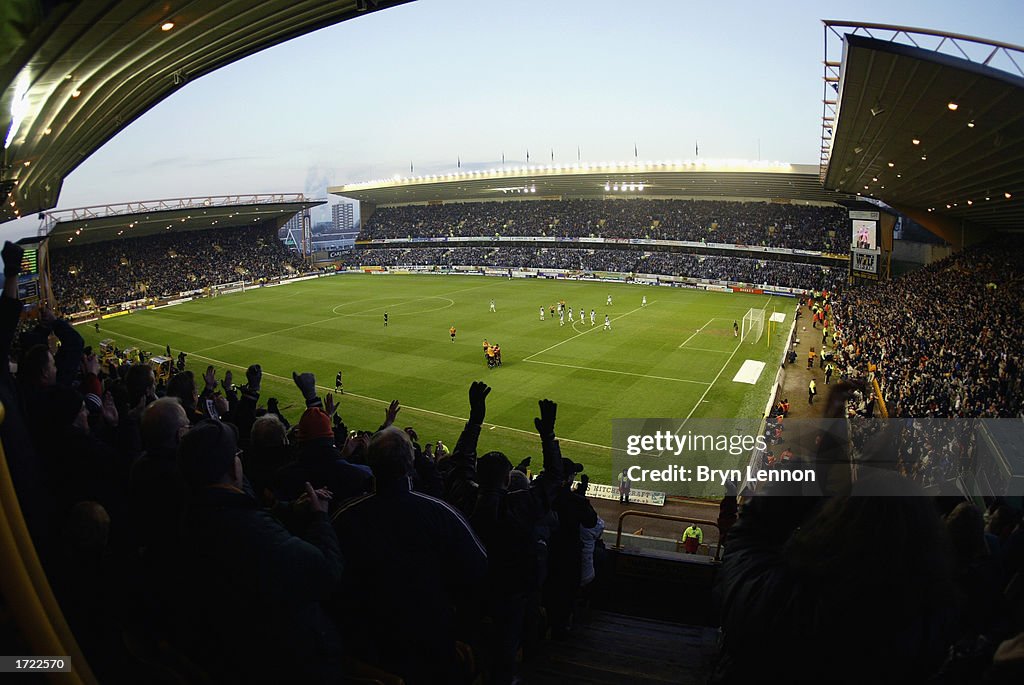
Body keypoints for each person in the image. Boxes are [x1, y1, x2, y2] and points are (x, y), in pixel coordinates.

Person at [331, 426, 487, 684]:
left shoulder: (344, 517)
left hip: (368, 648)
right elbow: (478, 569)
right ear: (410, 463)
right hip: (430, 648)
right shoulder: (441, 513)